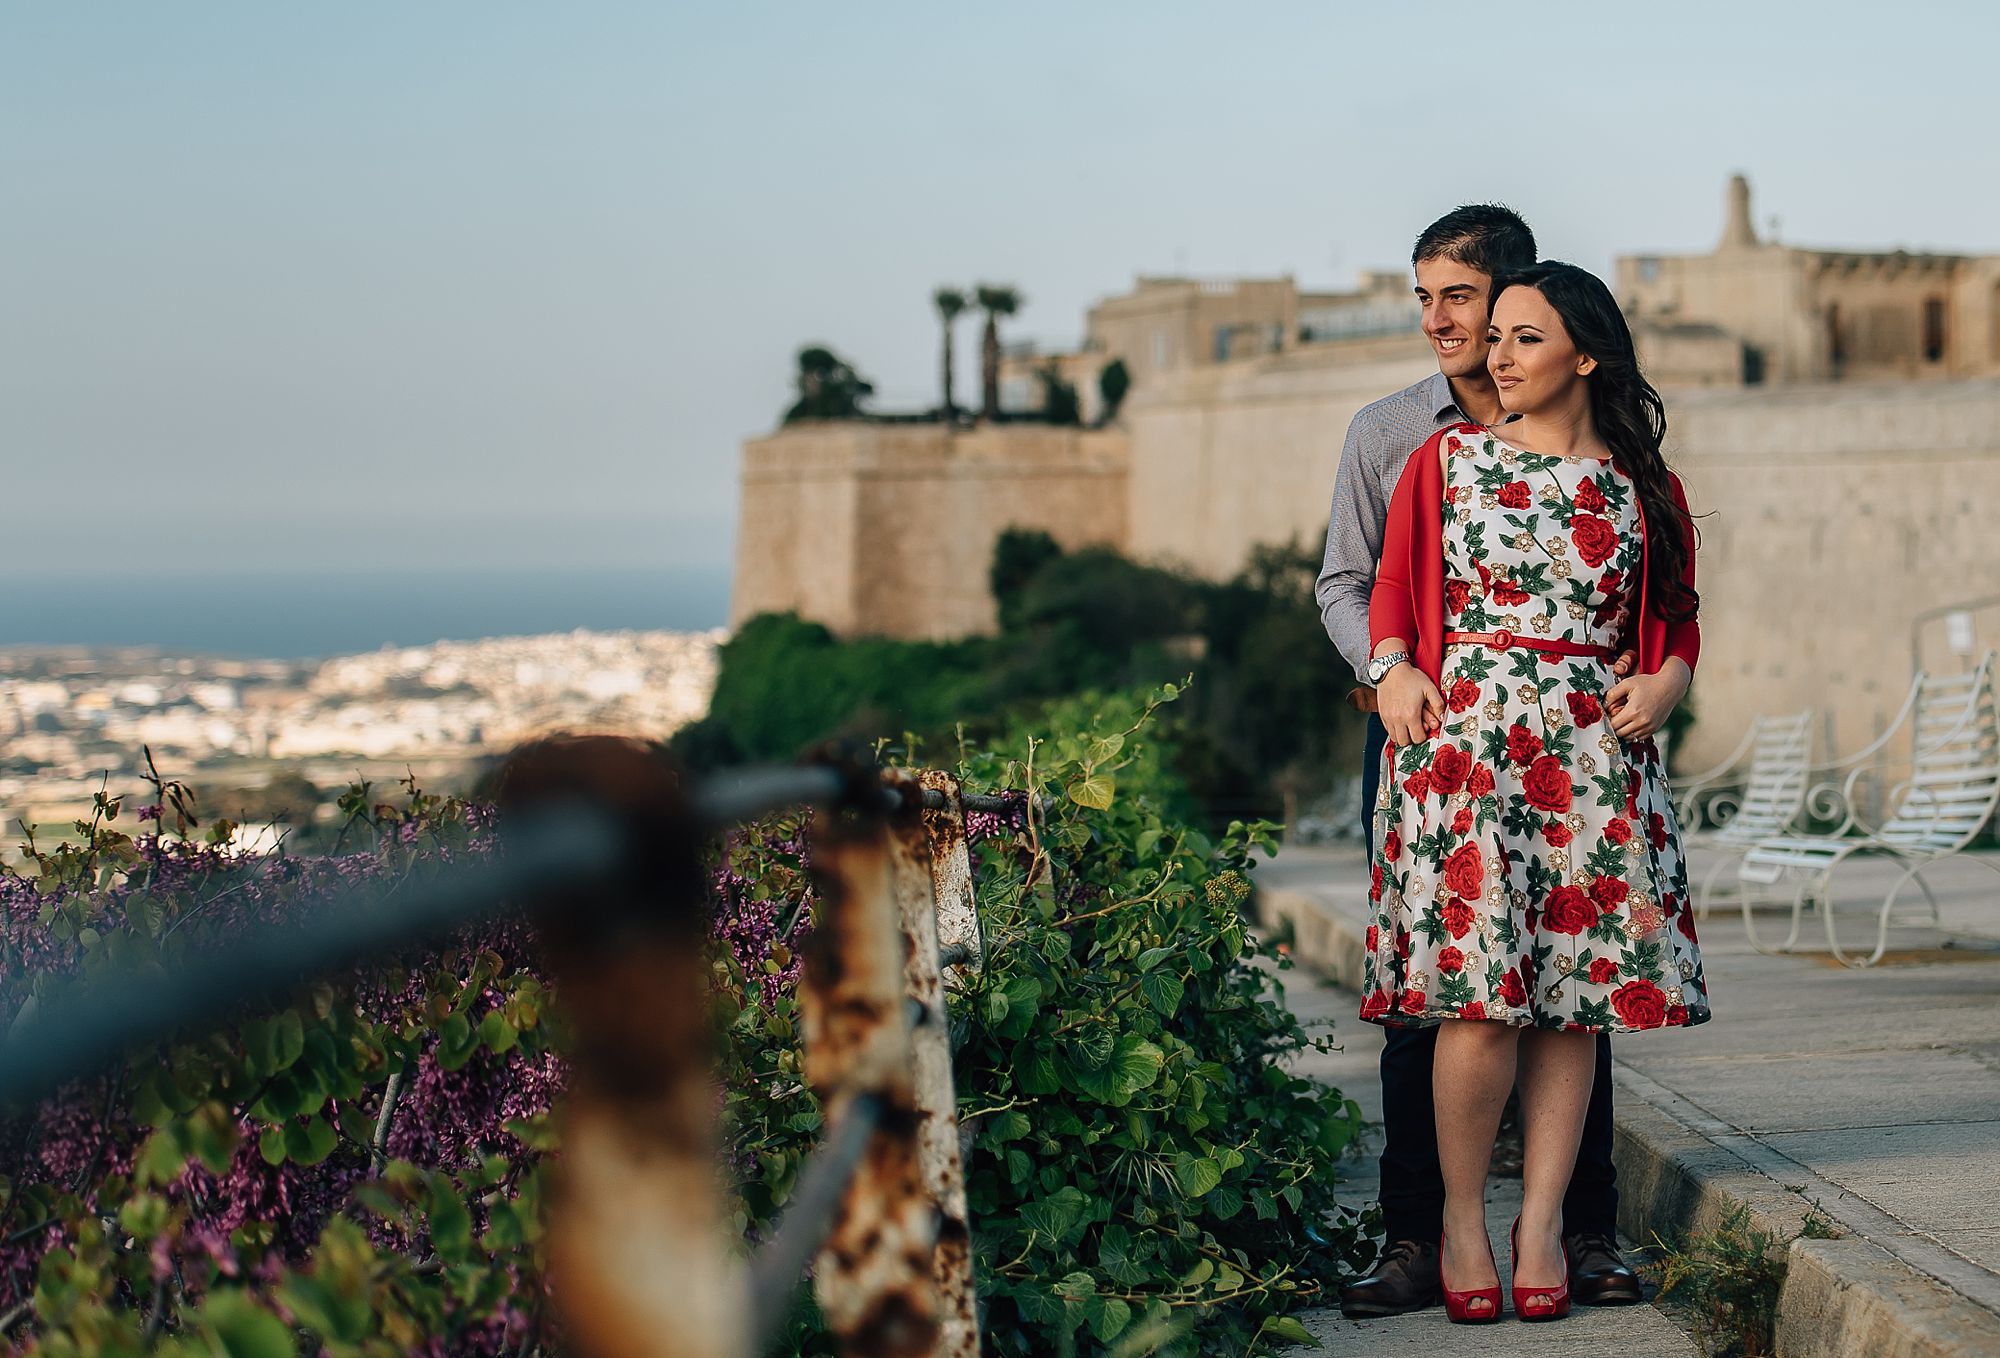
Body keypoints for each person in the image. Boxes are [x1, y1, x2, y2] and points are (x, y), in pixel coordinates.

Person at [1358, 260, 1710, 1322]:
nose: (1493, 354)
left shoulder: (1642, 481)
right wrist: (1390, 666)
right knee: (1476, 1007)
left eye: (1519, 337)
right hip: (1465, 753)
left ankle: (1542, 1220)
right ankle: (1461, 1218)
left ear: (1583, 353)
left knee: (1572, 1004)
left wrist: (1666, 679)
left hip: (1592, 762)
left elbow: (1680, 612)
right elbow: (1388, 583)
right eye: (1493, 334)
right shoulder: (1443, 461)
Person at [1315, 208, 1646, 1318]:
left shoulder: (1602, 447)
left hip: (1562, 742)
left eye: (1457, 297)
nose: (1439, 322)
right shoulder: (1392, 434)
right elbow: (1347, 580)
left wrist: (1658, 675)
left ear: (1522, 301)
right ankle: (1418, 1232)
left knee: (1571, 981)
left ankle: (1577, 1225)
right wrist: (1388, 664)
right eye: (1424, 299)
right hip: (1424, 727)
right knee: (1429, 997)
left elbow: (1653, 590)